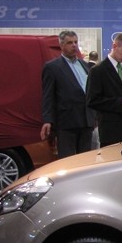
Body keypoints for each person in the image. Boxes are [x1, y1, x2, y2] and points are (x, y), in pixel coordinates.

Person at [40, 30, 95, 158]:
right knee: (68, 159)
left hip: (87, 121)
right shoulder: (52, 67)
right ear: (61, 45)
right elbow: (48, 96)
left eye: (75, 42)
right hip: (67, 122)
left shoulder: (84, 65)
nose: (74, 45)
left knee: (86, 159)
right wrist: (48, 120)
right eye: (70, 43)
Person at [86, 31, 122, 146]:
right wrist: (119, 103)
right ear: (114, 46)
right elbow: (92, 100)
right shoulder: (98, 71)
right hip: (112, 132)